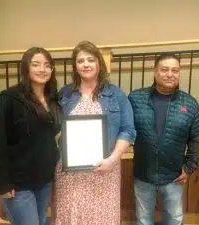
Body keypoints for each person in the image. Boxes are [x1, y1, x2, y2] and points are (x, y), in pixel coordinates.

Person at [52, 40, 136, 225]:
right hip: (70, 174)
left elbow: (128, 130)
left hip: (104, 170)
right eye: (80, 61)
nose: (86, 64)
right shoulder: (65, 94)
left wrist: (112, 159)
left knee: (101, 218)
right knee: (71, 216)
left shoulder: (116, 94)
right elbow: (53, 127)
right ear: (75, 66)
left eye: (90, 59)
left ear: (99, 63)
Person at [128, 53, 199, 225]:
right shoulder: (135, 99)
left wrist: (189, 166)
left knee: (174, 220)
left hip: (174, 175)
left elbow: (196, 138)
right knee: (144, 219)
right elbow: (125, 128)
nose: (170, 74)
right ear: (155, 72)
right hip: (143, 173)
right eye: (165, 69)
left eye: (175, 70)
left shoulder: (189, 103)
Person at [0, 47, 61, 225]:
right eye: (35, 64)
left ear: (52, 70)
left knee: (42, 221)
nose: (42, 69)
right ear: (26, 68)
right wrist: (3, 183)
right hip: (18, 184)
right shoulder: (10, 99)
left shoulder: (53, 99)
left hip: (44, 181)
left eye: (47, 65)